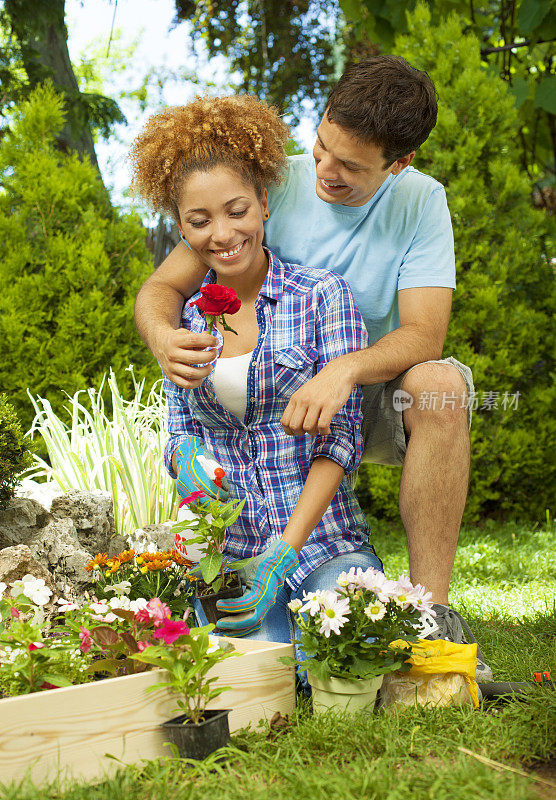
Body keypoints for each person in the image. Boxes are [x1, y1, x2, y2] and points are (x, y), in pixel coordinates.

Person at [133, 57, 492, 681]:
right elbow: (162, 289)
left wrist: (345, 372)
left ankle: (431, 613)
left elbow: (425, 335)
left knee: (438, 387)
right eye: (322, 145)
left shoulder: (421, 204)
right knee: (266, 664)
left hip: (367, 385)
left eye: (350, 166)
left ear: (396, 165)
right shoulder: (266, 184)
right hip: (272, 399)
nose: (325, 170)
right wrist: (166, 339)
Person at [129, 95, 384, 676]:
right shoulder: (187, 324)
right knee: (254, 677)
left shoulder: (321, 296)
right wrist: (185, 460)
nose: (222, 234)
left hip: (322, 545)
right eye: (199, 221)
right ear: (181, 228)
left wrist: (284, 554)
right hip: (232, 560)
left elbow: (340, 440)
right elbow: (180, 431)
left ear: (264, 204)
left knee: (338, 663)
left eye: (237, 210)